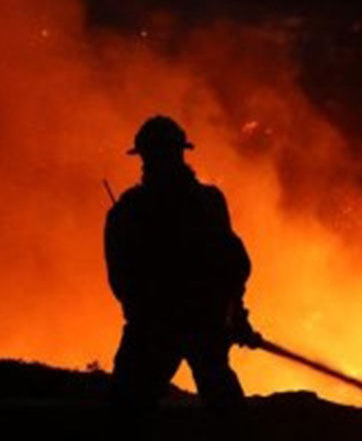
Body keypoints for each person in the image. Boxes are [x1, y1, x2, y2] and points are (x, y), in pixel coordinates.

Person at [105, 115, 261, 438]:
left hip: (157, 329)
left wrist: (235, 315)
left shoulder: (129, 211)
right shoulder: (207, 202)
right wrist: (232, 315)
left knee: (129, 408)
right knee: (222, 401)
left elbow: (122, 279)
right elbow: (233, 265)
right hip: (195, 324)